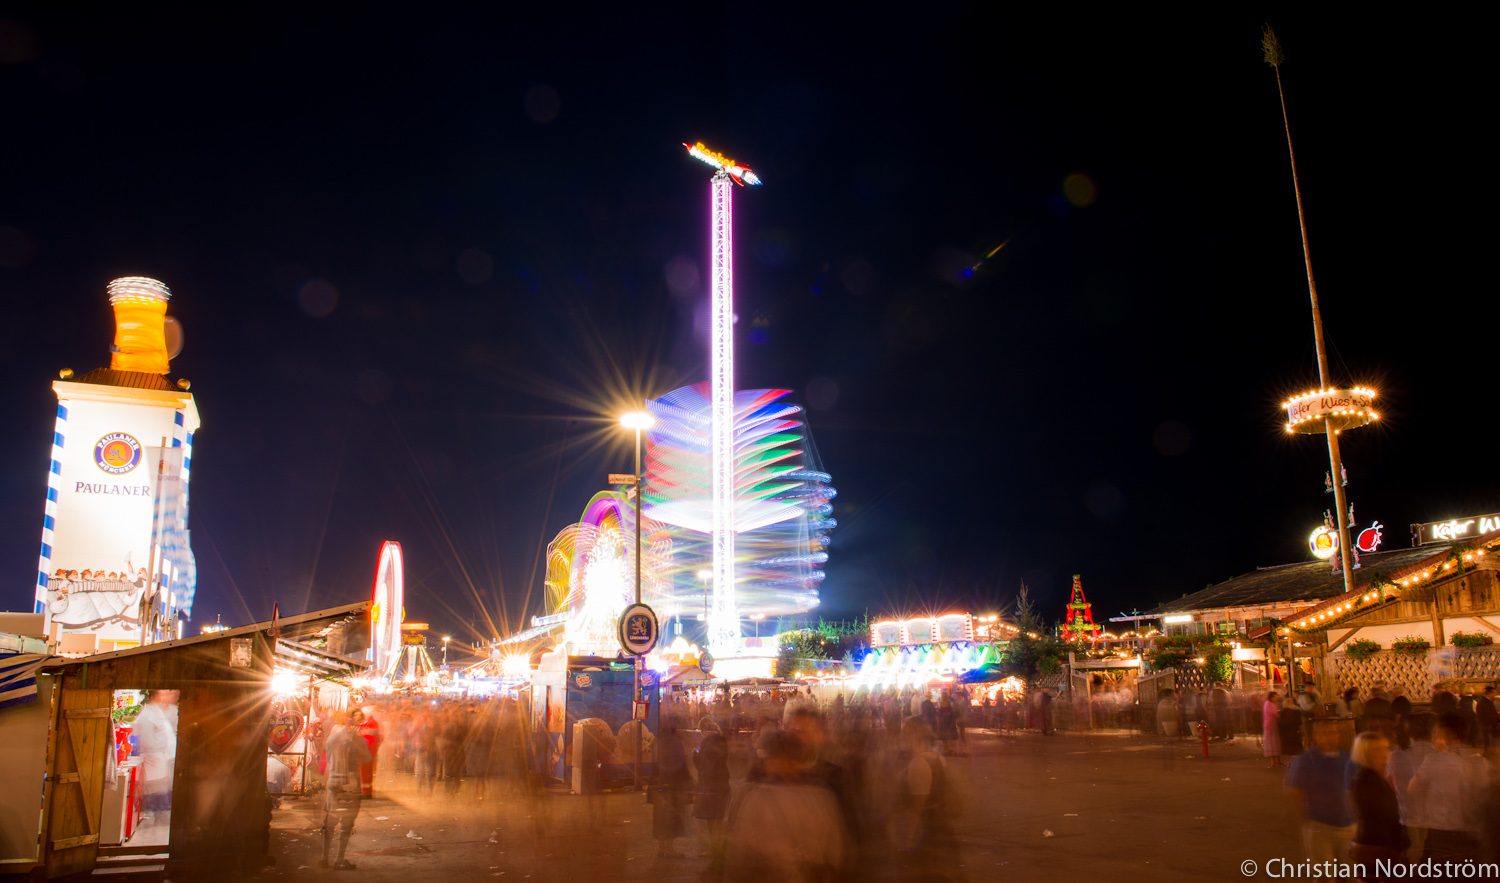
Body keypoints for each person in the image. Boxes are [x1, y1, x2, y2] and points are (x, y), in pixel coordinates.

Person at [722, 730, 847, 881]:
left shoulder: (757, 799)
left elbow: (741, 855)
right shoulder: (822, 797)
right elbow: (835, 850)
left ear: (774, 759)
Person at [1408, 714, 1484, 863]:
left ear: (1442, 735)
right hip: (1472, 831)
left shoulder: (1434, 760)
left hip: (1441, 828)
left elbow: (1412, 788)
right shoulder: (1479, 761)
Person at [1286, 720, 1356, 864]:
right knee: (1323, 874)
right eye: (1325, 733)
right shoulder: (1306, 760)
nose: (1330, 736)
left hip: (1347, 824)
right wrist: (1306, 818)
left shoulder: (1346, 758)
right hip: (1320, 824)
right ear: (1316, 736)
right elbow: (1294, 790)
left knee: (1347, 872)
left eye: (1334, 733)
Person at [1349, 731, 1408, 874]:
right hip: (1376, 845)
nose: (1386, 752)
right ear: (1366, 753)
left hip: (1384, 844)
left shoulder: (1380, 776)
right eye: (1378, 749)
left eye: (1386, 747)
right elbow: (1380, 814)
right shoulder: (1366, 780)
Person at [322, 711, 373, 870]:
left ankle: (324, 858)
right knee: (346, 824)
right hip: (350, 783)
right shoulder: (357, 739)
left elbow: (329, 759)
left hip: (333, 781)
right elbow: (366, 758)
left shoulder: (331, 738)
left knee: (329, 822)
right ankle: (339, 859)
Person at [1388, 713, 1439, 860]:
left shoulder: (1399, 756)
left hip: (1407, 812)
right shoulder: (1440, 757)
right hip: (1436, 814)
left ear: (1407, 731)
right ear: (1433, 732)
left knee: (1414, 848)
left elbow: (1390, 782)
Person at [134, 689, 179, 814]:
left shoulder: (157, 711)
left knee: (161, 796)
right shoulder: (148, 715)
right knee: (155, 800)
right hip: (153, 761)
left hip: (160, 760)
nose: (165, 696)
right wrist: (158, 755)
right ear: (156, 695)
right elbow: (147, 742)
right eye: (163, 693)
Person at [693, 718, 730, 858]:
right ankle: (719, 847)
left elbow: (702, 766)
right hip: (722, 782)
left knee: (711, 819)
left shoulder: (706, 742)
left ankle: (715, 849)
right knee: (719, 818)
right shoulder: (722, 740)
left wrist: (695, 756)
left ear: (703, 730)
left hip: (710, 784)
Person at [356, 705, 382, 798]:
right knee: (363, 771)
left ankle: (366, 792)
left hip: (368, 751)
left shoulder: (372, 723)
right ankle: (364, 790)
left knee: (366, 772)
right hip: (365, 751)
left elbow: (370, 738)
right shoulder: (366, 722)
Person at [1263, 691, 1283, 767]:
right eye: (1274, 697)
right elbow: (1273, 714)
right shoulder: (1268, 704)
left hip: (1273, 724)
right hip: (1270, 725)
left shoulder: (1271, 704)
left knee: (1276, 742)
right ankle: (1273, 761)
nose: (1276, 699)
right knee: (1272, 743)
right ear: (1271, 697)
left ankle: (1278, 760)